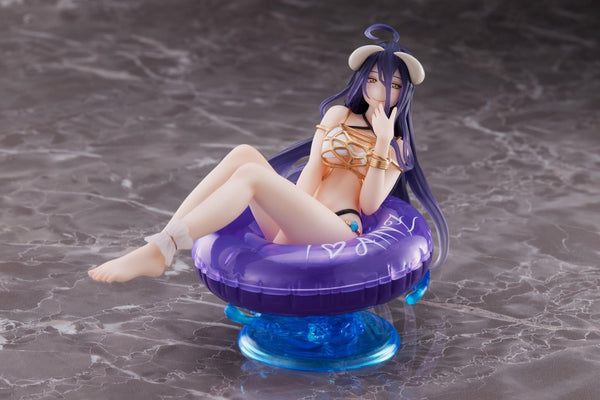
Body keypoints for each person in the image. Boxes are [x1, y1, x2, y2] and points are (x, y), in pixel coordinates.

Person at [89, 23, 448, 283]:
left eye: (392, 85)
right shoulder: (339, 114)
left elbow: (369, 205)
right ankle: (159, 246)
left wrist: (383, 141)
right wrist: (291, 212)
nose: (380, 90)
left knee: (252, 176)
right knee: (243, 154)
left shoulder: (397, 146)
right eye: (372, 79)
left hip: (338, 228)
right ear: (361, 81)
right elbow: (313, 169)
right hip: (303, 215)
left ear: (404, 93)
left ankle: (164, 248)